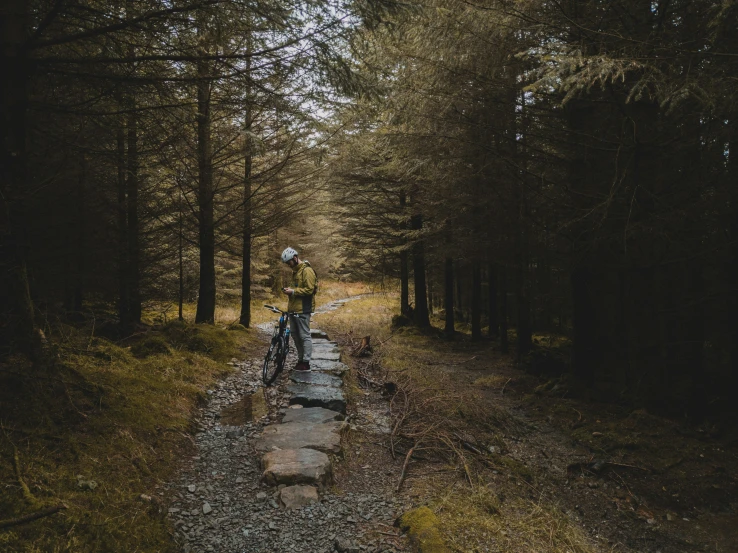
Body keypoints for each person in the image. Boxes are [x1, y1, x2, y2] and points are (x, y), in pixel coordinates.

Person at [280, 247, 317, 371]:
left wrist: (293, 291)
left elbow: (309, 289)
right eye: (287, 263)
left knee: (304, 335)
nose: (288, 265)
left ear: (295, 258)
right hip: (293, 309)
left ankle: (306, 362)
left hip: (303, 309)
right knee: (295, 335)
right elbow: (297, 288)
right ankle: (300, 360)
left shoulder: (307, 271)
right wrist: (290, 290)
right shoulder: (295, 271)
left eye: (289, 262)